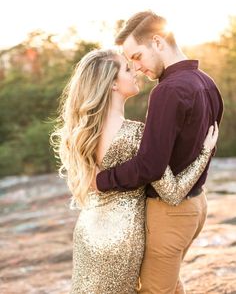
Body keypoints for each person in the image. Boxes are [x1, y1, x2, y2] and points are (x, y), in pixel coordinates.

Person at [51, 48, 218, 294]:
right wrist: (205, 152)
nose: (136, 71)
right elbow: (172, 193)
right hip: (122, 237)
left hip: (89, 231)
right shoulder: (137, 135)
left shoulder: (82, 132)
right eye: (128, 69)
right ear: (112, 85)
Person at [94, 12, 224, 293]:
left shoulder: (167, 91)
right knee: (170, 285)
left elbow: (150, 165)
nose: (137, 67)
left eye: (137, 56)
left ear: (157, 41)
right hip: (196, 207)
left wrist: (100, 180)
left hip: (170, 215)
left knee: (154, 290)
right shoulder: (207, 83)